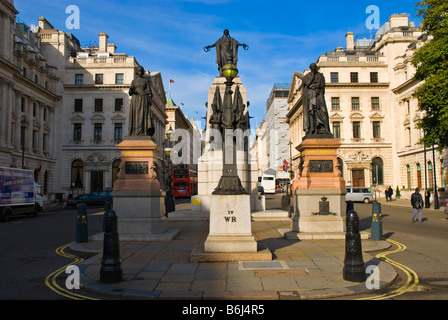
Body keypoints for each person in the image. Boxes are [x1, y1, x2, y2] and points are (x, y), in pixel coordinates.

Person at [302, 63, 332, 138]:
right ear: (310, 68)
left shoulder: (321, 76)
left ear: (316, 68)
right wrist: (312, 78)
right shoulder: (307, 77)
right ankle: (312, 129)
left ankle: (326, 129)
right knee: (312, 113)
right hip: (311, 96)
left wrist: (315, 86)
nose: (313, 69)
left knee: (323, 111)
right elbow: (307, 84)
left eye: (314, 67)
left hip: (319, 95)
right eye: (312, 68)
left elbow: (322, 85)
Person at [128, 66, 154, 136]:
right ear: (137, 72)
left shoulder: (146, 81)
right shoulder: (133, 81)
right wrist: (131, 90)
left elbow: (149, 92)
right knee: (135, 115)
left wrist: (148, 98)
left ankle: (143, 131)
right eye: (139, 71)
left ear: (142, 72)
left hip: (143, 99)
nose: (140, 72)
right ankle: (134, 131)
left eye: (141, 71)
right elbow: (130, 92)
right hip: (135, 99)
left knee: (142, 115)